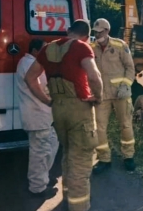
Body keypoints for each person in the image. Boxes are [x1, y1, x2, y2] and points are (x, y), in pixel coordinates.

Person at [24, 19, 103, 211]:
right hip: (79, 110)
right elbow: (94, 76)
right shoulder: (81, 47)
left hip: (58, 110)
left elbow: (30, 78)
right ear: (85, 36)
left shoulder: (47, 49)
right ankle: (79, 207)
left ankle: (68, 196)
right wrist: (98, 97)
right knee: (81, 160)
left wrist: (46, 100)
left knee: (68, 154)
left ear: (68, 31)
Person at [89, 18, 136, 174]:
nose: (97, 35)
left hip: (120, 93)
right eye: (95, 32)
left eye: (100, 32)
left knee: (126, 125)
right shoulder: (91, 48)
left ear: (107, 31)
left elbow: (130, 68)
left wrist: (126, 85)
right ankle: (104, 159)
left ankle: (128, 156)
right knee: (100, 128)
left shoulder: (120, 46)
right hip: (101, 94)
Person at [15, 38, 59, 199]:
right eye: (43, 50)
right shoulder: (29, 64)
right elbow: (42, 86)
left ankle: (43, 178)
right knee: (40, 152)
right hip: (37, 114)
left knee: (52, 144)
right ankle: (37, 187)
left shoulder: (27, 62)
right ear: (35, 51)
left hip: (41, 115)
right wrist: (50, 100)